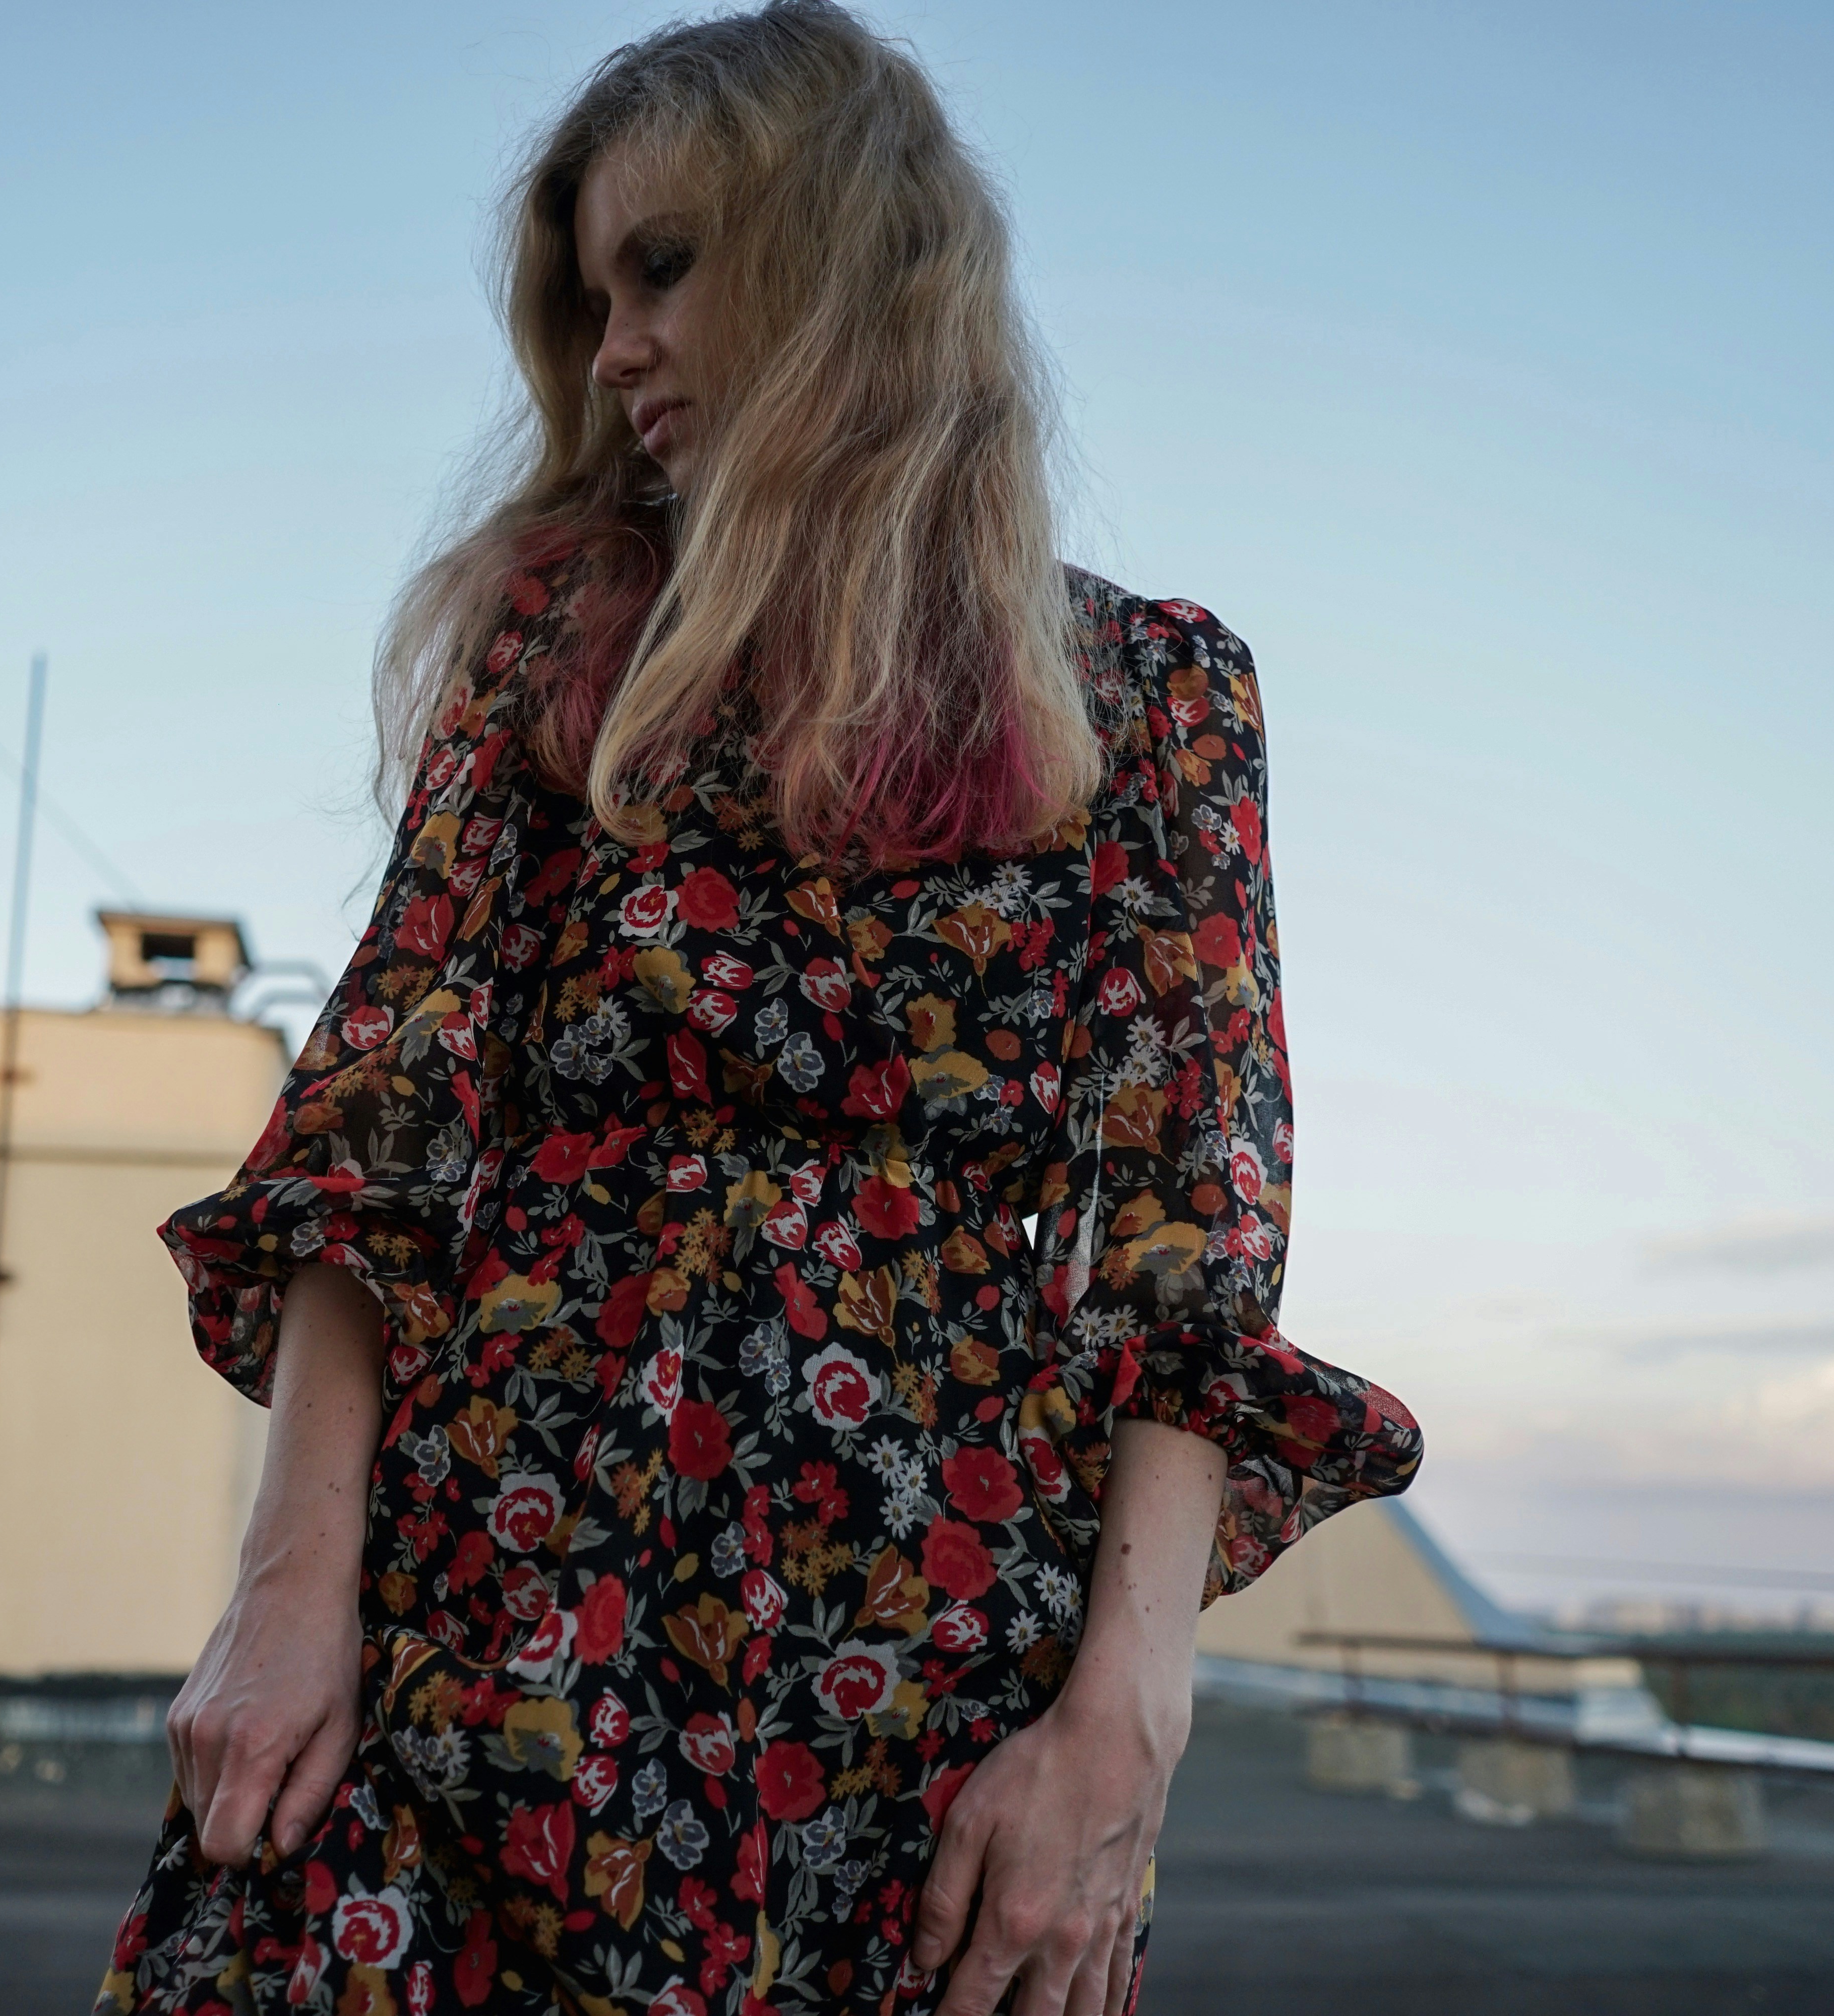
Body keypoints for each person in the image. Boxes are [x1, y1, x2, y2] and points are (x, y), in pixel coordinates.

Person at [97, 7, 1419, 2014]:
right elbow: (382, 1129)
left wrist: (1119, 1738)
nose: (612, 347)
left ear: (838, 255)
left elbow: (1190, 1250)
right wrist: (291, 1600)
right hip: (490, 1637)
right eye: (587, 297)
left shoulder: (1159, 696)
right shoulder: (559, 643)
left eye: (665, 268)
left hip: (929, 1712)